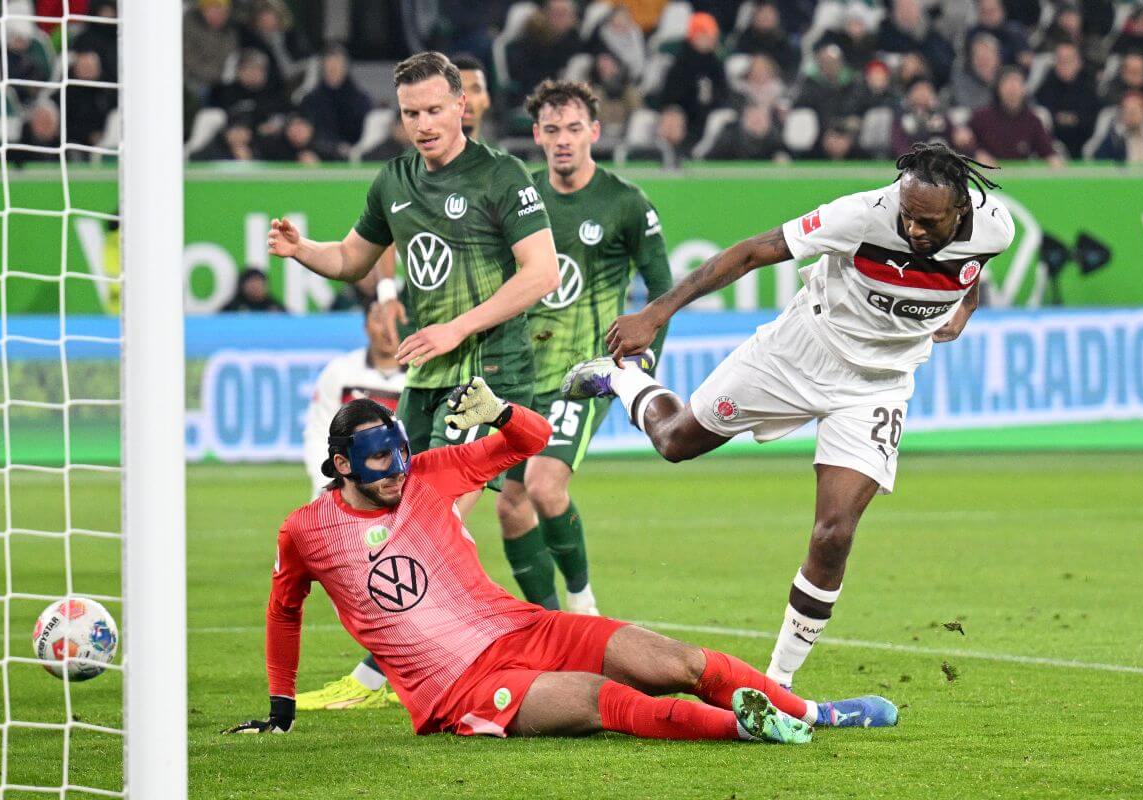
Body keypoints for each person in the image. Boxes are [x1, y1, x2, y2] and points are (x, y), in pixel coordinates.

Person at [561, 143, 1015, 690]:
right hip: (800, 351)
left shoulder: (997, 227)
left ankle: (777, 684)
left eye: (928, 221)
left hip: (877, 386)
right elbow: (755, 251)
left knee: (834, 533)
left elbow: (974, 270)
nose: (914, 229)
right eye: (907, 215)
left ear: (961, 210)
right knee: (676, 442)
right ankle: (623, 379)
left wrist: (963, 307)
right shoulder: (862, 214)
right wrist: (657, 312)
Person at [223, 382, 898, 739]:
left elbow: (534, 439)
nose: (397, 473)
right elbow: (284, 611)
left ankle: (813, 713)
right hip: (455, 692)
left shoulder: (429, 472)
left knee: (677, 663)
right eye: (378, 464)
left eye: (400, 456)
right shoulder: (306, 532)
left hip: (526, 630)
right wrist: (280, 709)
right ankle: (750, 730)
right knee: (608, 701)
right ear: (341, 465)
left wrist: (501, 412)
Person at [268, 51, 559, 710]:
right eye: (410, 114)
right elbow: (351, 259)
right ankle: (503, 645)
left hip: (490, 369)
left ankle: (407, 670)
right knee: (416, 521)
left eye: (434, 110)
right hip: (428, 374)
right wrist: (302, 250)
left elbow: (540, 272)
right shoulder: (394, 179)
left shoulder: (501, 175)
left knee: (443, 517)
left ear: (463, 105)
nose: (423, 124)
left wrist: (459, 328)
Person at [490, 80, 673, 614]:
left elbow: (661, 292)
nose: (563, 140)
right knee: (511, 506)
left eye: (574, 128)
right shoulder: (522, 202)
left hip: (584, 374)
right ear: (537, 136)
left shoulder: (625, 203)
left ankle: (583, 603)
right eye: (552, 130)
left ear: (594, 131)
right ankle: (549, 623)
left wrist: (640, 368)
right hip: (521, 378)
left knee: (546, 487)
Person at [303, 303, 406, 498]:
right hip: (343, 489)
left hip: (399, 492)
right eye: (379, 319)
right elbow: (318, 430)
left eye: (395, 320)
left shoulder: (423, 378)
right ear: (366, 326)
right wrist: (325, 480)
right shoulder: (340, 372)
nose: (388, 328)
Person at [969, 66, 1064, 166]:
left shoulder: (1032, 121)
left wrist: (1054, 161)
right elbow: (963, 143)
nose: (1012, 89)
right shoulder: (981, 117)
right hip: (987, 175)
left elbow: (1047, 151)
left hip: (1020, 177)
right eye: (1007, 83)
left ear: (1024, 89)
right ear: (998, 88)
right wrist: (977, 154)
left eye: (1017, 83)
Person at [658, 12, 729, 137]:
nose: (710, 40)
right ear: (694, 36)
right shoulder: (681, 63)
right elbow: (670, 96)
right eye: (705, 35)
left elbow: (723, 92)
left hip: (709, 114)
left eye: (712, 36)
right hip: (684, 114)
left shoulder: (715, 64)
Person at [300, 45, 374, 158]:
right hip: (321, 155)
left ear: (345, 68)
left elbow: (369, 131)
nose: (333, 70)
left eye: (337, 66)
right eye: (329, 67)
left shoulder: (361, 99)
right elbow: (308, 132)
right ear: (323, 68)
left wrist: (353, 148)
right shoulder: (311, 100)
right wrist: (334, 147)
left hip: (356, 155)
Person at [1034, 42, 1100, 159]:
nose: (1064, 65)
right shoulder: (1045, 87)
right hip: (1052, 147)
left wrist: (1071, 120)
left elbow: (1092, 122)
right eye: (1060, 60)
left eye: (1068, 60)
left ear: (1079, 63)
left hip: (1083, 143)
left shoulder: (1090, 87)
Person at [1094, 91, 1143, 163]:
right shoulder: (1114, 139)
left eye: (1134, 111)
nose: (1132, 116)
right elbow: (1099, 159)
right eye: (1127, 111)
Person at [220, 267, 285, 312]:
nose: (256, 287)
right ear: (242, 285)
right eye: (252, 283)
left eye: (259, 283)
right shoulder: (232, 309)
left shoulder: (275, 308)